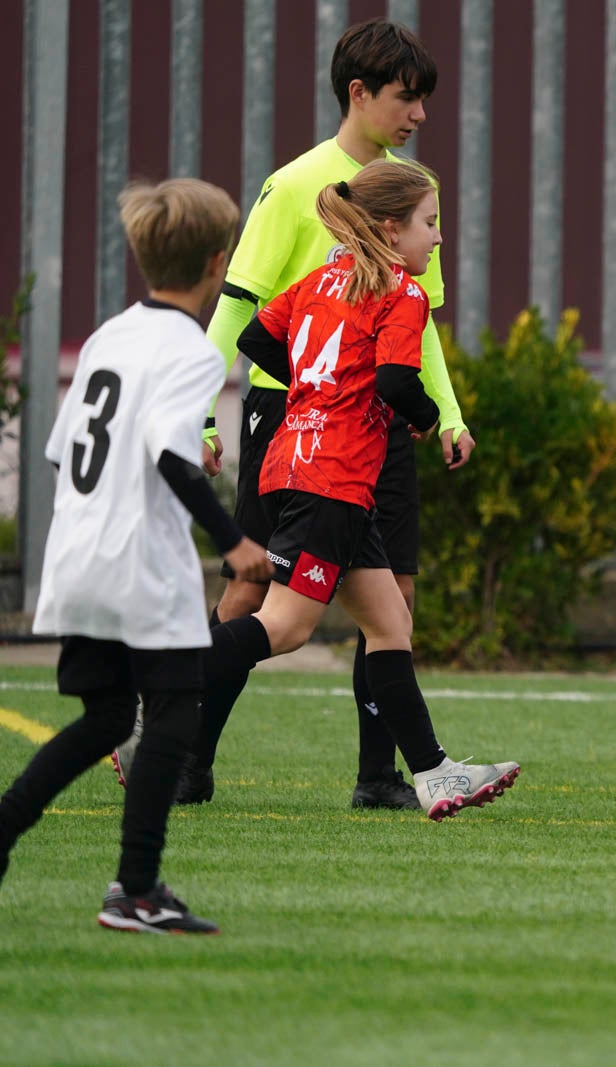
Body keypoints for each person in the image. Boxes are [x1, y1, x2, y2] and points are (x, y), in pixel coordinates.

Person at [191, 17, 472, 809]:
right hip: (296, 420)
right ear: (359, 93)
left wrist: (448, 415)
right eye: (405, 97)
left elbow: (419, 327)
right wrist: (202, 411)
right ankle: (181, 753)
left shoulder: (412, 193)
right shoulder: (293, 186)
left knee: (393, 599)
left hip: (380, 418)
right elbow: (238, 310)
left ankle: (381, 777)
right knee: (254, 595)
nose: (419, 114)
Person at [201, 161, 518, 822]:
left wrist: (319, 389)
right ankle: (158, 679)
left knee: (389, 623)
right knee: (285, 627)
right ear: (391, 228)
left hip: (294, 463)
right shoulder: (401, 292)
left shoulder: (318, 281)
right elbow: (397, 382)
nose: (438, 237)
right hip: (334, 478)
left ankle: (433, 774)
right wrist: (427, 418)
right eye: (430, 223)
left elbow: (256, 336)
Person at [0, 179, 273, 932]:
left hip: (78, 557)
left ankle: (5, 827)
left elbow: (64, 453)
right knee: (175, 714)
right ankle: (137, 890)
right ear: (217, 263)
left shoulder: (110, 336)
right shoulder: (190, 350)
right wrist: (233, 540)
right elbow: (167, 455)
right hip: (141, 568)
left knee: (108, 716)